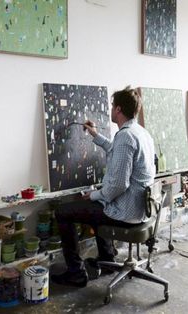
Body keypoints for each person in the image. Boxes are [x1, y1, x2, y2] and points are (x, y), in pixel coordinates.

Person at [51, 86, 155, 287]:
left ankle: (76, 273)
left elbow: (118, 185)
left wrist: (93, 195)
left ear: (117, 109)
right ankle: (107, 260)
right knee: (96, 207)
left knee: (63, 212)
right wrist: (95, 135)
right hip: (141, 208)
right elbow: (117, 151)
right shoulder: (140, 132)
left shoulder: (125, 136)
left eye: (112, 106)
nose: (110, 109)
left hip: (126, 212)